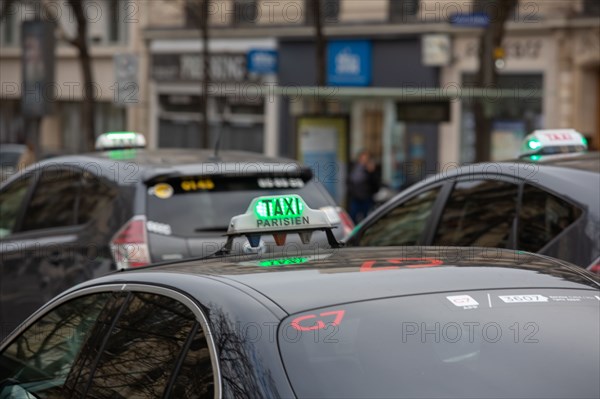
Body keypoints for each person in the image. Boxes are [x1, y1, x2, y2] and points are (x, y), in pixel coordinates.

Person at [347, 150, 379, 223]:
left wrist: (372, 172)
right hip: (356, 198)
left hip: (367, 199)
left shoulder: (371, 169)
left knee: (366, 219)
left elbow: (375, 185)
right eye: (362, 158)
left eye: (366, 158)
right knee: (352, 217)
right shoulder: (354, 168)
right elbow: (349, 182)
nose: (364, 160)